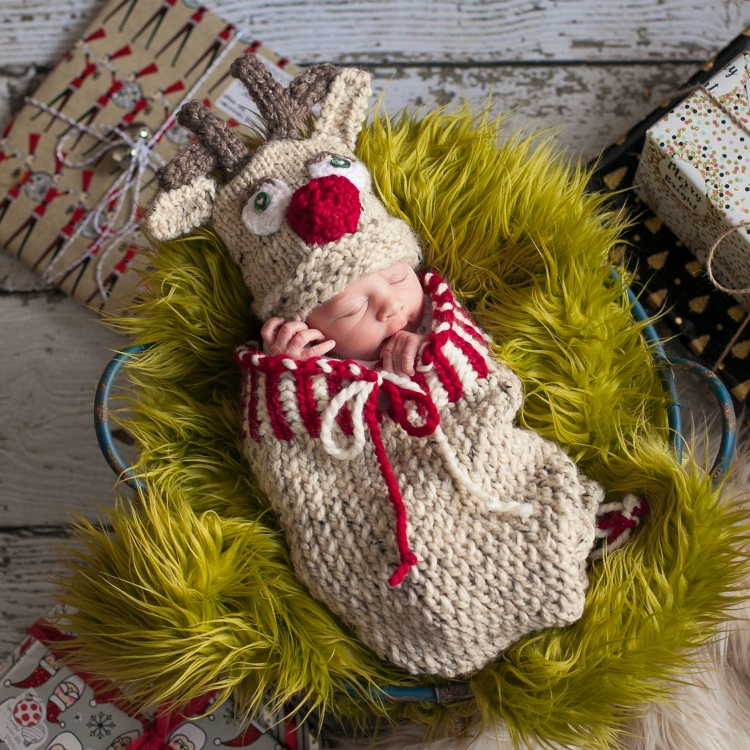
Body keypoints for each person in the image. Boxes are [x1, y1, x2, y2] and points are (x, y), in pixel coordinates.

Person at [260, 261, 430, 377]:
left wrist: (433, 350)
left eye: (398, 279)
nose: (392, 305)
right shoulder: (311, 362)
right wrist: (287, 366)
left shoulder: (437, 316)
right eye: (353, 309)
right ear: (306, 329)